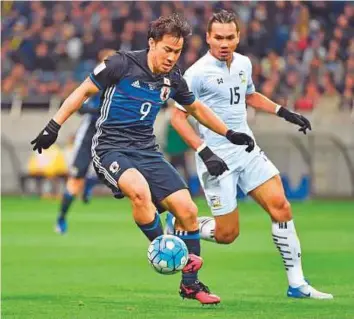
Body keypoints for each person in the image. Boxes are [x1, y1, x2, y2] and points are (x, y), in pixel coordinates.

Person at [30, 14, 255, 305]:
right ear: (152, 43)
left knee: (186, 209)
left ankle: (190, 285)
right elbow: (82, 91)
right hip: (110, 148)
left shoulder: (173, 78)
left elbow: (196, 109)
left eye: (177, 52)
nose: (172, 57)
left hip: (147, 150)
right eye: (167, 50)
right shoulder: (120, 64)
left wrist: (228, 132)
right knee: (140, 192)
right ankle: (165, 249)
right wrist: (53, 126)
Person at [166, 10, 333, 300]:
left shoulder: (244, 63)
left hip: (247, 151)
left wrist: (285, 112)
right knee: (227, 235)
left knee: (281, 206)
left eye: (230, 37)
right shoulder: (196, 73)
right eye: (218, 37)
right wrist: (204, 152)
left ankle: (297, 284)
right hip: (217, 159)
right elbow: (177, 118)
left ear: (238, 37)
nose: (224, 43)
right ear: (208, 38)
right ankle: (180, 222)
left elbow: (249, 95)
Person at [55, 49, 116, 234]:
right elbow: (79, 105)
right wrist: (93, 109)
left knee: (112, 172)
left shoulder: (122, 83)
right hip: (89, 134)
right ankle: (61, 218)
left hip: (110, 135)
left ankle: (90, 183)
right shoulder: (93, 80)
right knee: (75, 179)